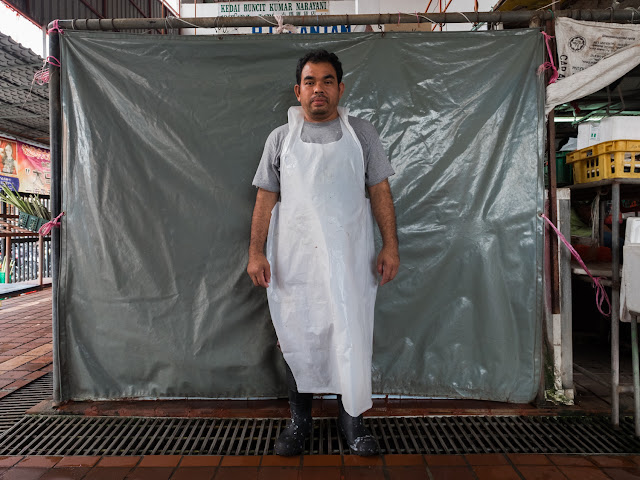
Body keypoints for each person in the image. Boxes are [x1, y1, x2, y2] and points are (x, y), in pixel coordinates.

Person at [247, 50, 399, 456]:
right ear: (298, 91)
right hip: (294, 261)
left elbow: (380, 190)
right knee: (297, 335)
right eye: (310, 81)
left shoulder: (361, 134)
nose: (319, 89)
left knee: (351, 332)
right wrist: (256, 252)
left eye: (327, 81)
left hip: (350, 258)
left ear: (340, 88)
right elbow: (265, 197)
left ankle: (353, 421)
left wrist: (390, 244)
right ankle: (300, 422)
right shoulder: (280, 139)